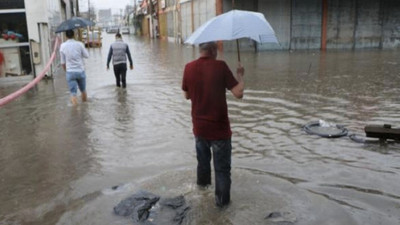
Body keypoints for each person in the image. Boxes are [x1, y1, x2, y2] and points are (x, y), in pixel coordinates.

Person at [182, 42, 244, 207]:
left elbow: (186, 95)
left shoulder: (188, 67)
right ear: (212, 51)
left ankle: (202, 196)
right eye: (217, 50)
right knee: (222, 170)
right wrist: (240, 75)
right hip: (220, 131)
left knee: (203, 165)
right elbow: (238, 94)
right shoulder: (220, 66)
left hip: (199, 129)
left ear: (201, 51)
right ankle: (222, 209)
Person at [60, 29, 89, 106]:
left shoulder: (63, 46)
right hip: (80, 71)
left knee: (73, 93)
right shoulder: (80, 44)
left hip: (70, 72)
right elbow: (87, 55)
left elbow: (62, 62)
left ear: (66, 36)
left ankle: (75, 111)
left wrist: (66, 71)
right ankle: (85, 108)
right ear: (74, 35)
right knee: (83, 90)